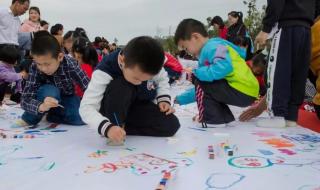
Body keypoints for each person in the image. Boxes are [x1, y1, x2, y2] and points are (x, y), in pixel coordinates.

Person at [79, 36, 180, 144]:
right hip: (113, 108)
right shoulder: (104, 70)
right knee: (121, 85)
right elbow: (86, 107)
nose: (140, 83)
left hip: (136, 107)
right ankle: (115, 126)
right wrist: (106, 127)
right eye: (136, 78)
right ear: (123, 60)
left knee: (171, 125)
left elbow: (162, 78)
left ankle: (122, 129)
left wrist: (163, 99)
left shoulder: (151, 63)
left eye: (146, 79)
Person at [174, 19, 259, 127]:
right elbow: (203, 88)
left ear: (195, 37)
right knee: (204, 80)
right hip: (246, 90)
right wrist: (181, 99)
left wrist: (196, 73)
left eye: (186, 48)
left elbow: (224, 67)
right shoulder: (216, 46)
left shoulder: (214, 46)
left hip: (242, 89)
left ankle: (214, 119)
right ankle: (223, 118)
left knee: (200, 78)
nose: (187, 52)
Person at [254, 0, 318, 127]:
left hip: (287, 25)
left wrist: (266, 28)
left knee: (279, 70)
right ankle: (291, 116)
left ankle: (277, 115)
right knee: (298, 73)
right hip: (306, 28)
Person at [14, 31, 90, 128]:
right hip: (45, 97)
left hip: (67, 97)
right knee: (51, 91)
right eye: (39, 64)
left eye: (47, 64)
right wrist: (41, 106)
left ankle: (52, 115)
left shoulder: (70, 63)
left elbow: (87, 85)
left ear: (60, 57)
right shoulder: (34, 67)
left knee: (81, 119)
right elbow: (25, 99)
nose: (43, 68)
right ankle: (29, 119)